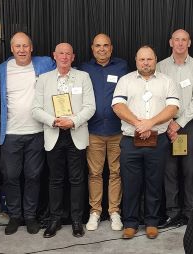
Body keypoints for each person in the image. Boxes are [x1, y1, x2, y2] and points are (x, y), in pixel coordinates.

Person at [112, 45, 180, 240]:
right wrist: (138, 124)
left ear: (156, 60)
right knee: (130, 183)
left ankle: (152, 222)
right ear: (136, 61)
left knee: (154, 182)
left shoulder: (167, 81)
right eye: (142, 59)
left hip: (158, 140)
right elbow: (117, 105)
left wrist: (150, 123)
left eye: (149, 59)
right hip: (130, 140)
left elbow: (173, 107)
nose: (146, 63)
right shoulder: (125, 81)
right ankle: (131, 223)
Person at [32, 43, 95, 238]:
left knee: (77, 179)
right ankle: (55, 219)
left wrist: (72, 121)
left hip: (75, 133)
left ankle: (77, 220)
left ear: (73, 57)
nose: (65, 57)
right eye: (61, 53)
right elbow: (35, 109)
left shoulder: (83, 77)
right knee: (55, 180)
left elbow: (90, 107)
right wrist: (54, 121)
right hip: (53, 133)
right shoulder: (44, 79)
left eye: (68, 54)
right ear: (54, 56)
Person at [0, 32, 55, 235]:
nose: (22, 50)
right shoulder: (2, 69)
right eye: (17, 46)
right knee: (10, 176)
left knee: (33, 176)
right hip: (11, 132)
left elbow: (61, 77)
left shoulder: (45, 64)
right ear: (12, 49)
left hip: (37, 132)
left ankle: (30, 216)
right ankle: (15, 216)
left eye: (25, 46)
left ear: (31, 48)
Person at [156, 29, 193, 228]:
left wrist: (179, 123)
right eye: (177, 40)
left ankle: (188, 212)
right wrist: (168, 122)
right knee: (169, 171)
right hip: (165, 125)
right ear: (170, 42)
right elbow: (157, 96)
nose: (180, 43)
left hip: (188, 124)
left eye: (184, 40)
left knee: (189, 170)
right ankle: (172, 213)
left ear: (189, 43)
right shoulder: (160, 66)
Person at [79, 33, 128, 231]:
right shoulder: (84, 69)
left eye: (105, 45)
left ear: (111, 47)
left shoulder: (122, 67)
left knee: (116, 172)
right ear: (92, 48)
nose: (102, 49)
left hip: (118, 130)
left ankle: (114, 212)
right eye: (98, 46)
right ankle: (95, 212)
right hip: (93, 130)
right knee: (95, 173)